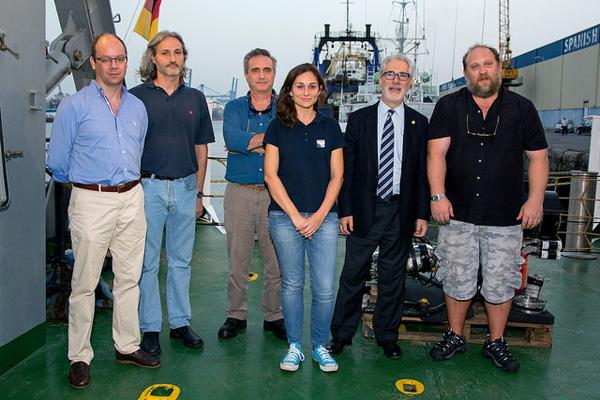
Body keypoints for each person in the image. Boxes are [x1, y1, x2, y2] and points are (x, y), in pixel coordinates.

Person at [47, 33, 159, 390]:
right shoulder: (74, 106)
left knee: (129, 278)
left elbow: (137, 151)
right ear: (93, 63)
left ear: (127, 62)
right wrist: (89, 186)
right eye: (106, 59)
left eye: (120, 59)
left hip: (132, 197)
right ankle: (79, 356)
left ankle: (126, 345)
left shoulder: (137, 108)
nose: (114, 65)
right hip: (91, 198)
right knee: (83, 283)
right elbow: (58, 163)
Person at [427, 44, 548, 372]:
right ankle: (454, 334)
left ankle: (496, 341)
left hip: (505, 216)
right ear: (465, 73)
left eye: (488, 64)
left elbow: (537, 157)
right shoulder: (448, 106)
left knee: (501, 281)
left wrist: (535, 199)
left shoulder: (523, 109)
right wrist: (438, 196)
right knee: (456, 277)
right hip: (458, 213)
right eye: (474, 67)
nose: (482, 71)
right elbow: (436, 154)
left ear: (499, 67)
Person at [328, 54, 430, 360]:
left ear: (410, 83)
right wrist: (345, 210)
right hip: (365, 208)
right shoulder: (359, 121)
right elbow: (347, 170)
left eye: (402, 76)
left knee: (392, 276)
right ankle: (341, 335)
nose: (396, 81)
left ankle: (387, 335)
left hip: (401, 210)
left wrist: (422, 213)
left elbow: (423, 174)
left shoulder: (419, 123)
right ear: (379, 80)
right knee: (353, 274)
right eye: (390, 74)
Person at [129, 31, 214, 356]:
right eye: (166, 53)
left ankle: (179, 323)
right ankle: (150, 327)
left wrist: (199, 194)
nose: (172, 58)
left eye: (178, 52)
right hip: (147, 187)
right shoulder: (135, 97)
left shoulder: (195, 98)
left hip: (184, 188)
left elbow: (202, 147)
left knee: (181, 261)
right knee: (147, 262)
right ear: (153, 58)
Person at [264, 63, 345, 372]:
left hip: (324, 219)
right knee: (293, 284)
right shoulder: (277, 127)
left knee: (325, 287)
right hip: (286, 219)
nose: (306, 92)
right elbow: (271, 176)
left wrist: (321, 215)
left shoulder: (330, 127)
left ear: (320, 91)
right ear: (289, 90)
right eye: (300, 86)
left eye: (312, 86)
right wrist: (297, 217)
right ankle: (295, 346)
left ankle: (320, 345)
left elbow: (337, 176)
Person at [218, 49, 286, 340]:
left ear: (274, 73)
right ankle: (236, 315)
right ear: (246, 74)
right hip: (240, 194)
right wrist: (271, 142)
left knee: (277, 260)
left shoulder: (286, 108)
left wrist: (250, 144)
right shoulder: (233, 108)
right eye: (255, 70)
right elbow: (232, 140)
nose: (261, 75)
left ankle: (274, 315)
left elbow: (290, 145)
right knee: (238, 259)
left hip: (277, 195)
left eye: (266, 70)